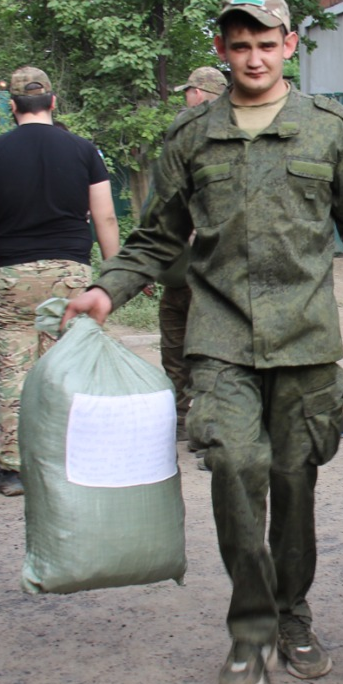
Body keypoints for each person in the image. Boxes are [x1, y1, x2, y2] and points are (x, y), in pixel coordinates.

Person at [63, 0, 343, 684]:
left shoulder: (327, 129)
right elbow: (154, 240)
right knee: (236, 471)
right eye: (239, 45)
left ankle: (293, 616)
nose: (253, 58)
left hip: (304, 341)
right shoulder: (192, 138)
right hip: (220, 340)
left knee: (295, 486)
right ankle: (249, 632)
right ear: (221, 50)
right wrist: (106, 289)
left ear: (289, 47)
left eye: (266, 44)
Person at [0, 67, 121, 497]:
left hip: (13, 273)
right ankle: (69, 460)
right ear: (52, 103)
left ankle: (14, 469)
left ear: (12, 107)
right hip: (71, 274)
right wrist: (115, 274)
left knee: (16, 369)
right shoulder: (85, 151)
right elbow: (104, 216)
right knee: (66, 365)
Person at [158, 67, 228, 440]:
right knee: (188, 349)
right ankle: (191, 424)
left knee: (197, 351)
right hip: (184, 271)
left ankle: (200, 427)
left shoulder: (210, 139)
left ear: (199, 94)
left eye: (189, 92)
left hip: (202, 271)